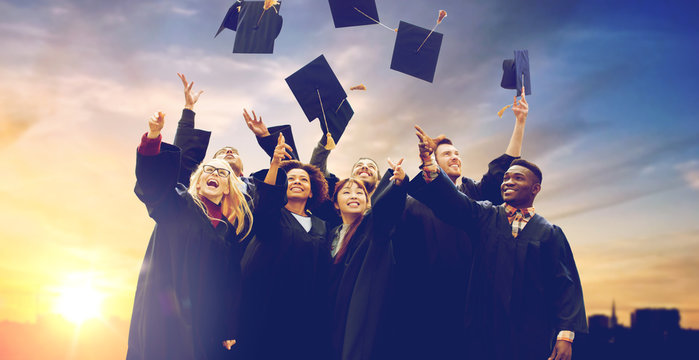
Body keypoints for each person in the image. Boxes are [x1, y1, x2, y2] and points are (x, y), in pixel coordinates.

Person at [409, 127, 588, 360]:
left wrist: (565, 336)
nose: (508, 182)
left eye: (517, 178)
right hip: (483, 332)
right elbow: (453, 201)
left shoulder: (549, 234)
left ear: (535, 189)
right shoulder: (484, 215)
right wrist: (429, 162)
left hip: (530, 333)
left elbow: (565, 285)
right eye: (505, 178)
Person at [127, 111, 254, 360]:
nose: (215, 175)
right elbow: (152, 186)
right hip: (164, 311)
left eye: (222, 173)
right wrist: (153, 138)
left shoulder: (227, 232)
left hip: (203, 320)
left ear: (229, 187)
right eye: (210, 170)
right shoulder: (177, 204)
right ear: (198, 181)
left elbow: (229, 284)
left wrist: (227, 327)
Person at [239, 134, 332, 360]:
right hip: (266, 313)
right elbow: (267, 199)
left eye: (303, 179)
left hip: (306, 318)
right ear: (282, 186)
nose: (297, 181)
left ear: (312, 191)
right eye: (290, 179)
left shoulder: (324, 227)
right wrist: (274, 165)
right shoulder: (271, 217)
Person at [328, 159, 407, 360]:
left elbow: (387, 211)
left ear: (368, 201)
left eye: (360, 192)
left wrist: (397, 185)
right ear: (336, 203)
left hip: (362, 318)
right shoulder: (329, 235)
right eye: (346, 192)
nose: (354, 195)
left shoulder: (373, 228)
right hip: (332, 316)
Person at [173, 73, 255, 195]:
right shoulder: (198, 187)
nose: (229, 152)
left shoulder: (255, 190)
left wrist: (265, 136)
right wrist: (189, 108)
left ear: (242, 172)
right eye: (222, 153)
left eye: (234, 153)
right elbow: (183, 160)